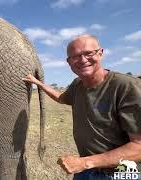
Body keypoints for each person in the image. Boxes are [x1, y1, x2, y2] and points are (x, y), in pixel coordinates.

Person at [22, 34, 141, 179]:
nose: (83, 60)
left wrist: (84, 162)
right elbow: (61, 98)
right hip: (87, 171)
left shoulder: (126, 86)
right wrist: (38, 83)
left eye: (89, 53)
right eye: (76, 56)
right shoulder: (77, 84)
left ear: (100, 53)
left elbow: (138, 147)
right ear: (69, 62)